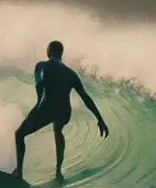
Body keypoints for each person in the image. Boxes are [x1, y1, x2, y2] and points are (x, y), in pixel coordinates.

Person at [13, 40, 109, 179]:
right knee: (58, 131)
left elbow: (40, 84)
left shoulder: (42, 65)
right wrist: (100, 120)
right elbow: (86, 98)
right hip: (64, 112)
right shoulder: (71, 74)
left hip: (47, 108)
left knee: (19, 134)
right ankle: (58, 171)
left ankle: (19, 173)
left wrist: (37, 107)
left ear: (49, 52)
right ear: (61, 53)